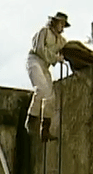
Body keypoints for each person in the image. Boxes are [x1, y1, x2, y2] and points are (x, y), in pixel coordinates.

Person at [24, 12, 70, 142]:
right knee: (41, 88)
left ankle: (45, 130)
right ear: (54, 22)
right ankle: (31, 120)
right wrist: (55, 58)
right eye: (60, 23)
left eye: (63, 24)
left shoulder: (61, 41)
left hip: (45, 66)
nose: (62, 26)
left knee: (51, 96)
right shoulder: (44, 32)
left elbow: (66, 50)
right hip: (35, 61)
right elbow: (39, 49)